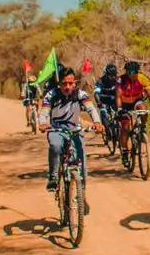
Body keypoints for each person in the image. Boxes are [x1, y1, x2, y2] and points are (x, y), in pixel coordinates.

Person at [39, 66, 104, 212]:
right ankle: (53, 177)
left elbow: (91, 108)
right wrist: (42, 123)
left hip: (75, 130)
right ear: (59, 84)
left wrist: (97, 122)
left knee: (82, 164)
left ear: (75, 82)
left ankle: (81, 195)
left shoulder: (80, 94)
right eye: (64, 84)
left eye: (70, 83)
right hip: (56, 129)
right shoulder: (51, 95)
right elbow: (44, 111)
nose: (67, 87)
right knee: (55, 146)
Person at [115, 60, 150, 167]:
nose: (132, 74)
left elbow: (149, 94)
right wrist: (119, 109)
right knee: (125, 127)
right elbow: (118, 96)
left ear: (137, 71)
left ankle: (142, 127)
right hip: (124, 104)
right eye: (129, 72)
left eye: (134, 71)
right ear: (126, 72)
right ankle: (125, 152)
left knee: (143, 108)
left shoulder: (142, 78)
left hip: (136, 101)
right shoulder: (121, 80)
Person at [93, 63, 119, 142]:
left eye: (114, 75)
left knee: (120, 113)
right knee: (103, 113)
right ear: (106, 74)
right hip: (103, 100)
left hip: (114, 100)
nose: (113, 77)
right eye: (111, 75)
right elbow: (96, 93)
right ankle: (108, 132)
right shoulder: (100, 81)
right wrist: (99, 103)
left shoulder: (118, 80)